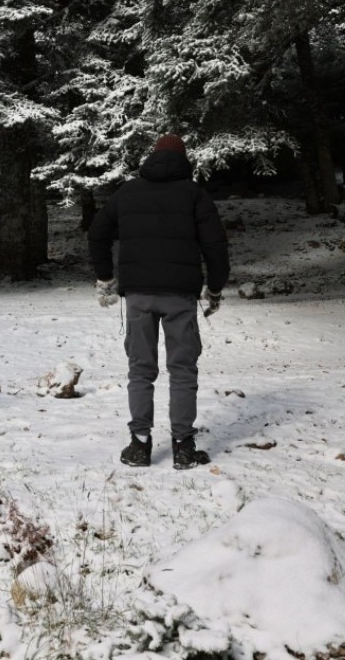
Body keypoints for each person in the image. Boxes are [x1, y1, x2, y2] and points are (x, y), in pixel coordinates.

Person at [88, 134, 230, 470]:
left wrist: (106, 277)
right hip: (180, 295)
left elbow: (97, 233)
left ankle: (139, 444)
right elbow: (216, 247)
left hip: (138, 295)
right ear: (185, 161)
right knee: (182, 370)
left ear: (152, 158)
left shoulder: (128, 192)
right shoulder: (195, 195)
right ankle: (183, 446)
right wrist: (215, 289)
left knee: (140, 370)